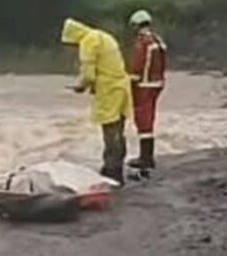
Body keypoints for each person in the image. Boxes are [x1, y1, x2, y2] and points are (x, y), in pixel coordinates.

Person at [61, 18, 134, 184]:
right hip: (122, 87)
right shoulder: (103, 36)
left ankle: (111, 172)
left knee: (109, 131)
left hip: (109, 90)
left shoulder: (88, 42)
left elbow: (88, 74)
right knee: (119, 130)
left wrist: (81, 86)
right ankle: (117, 167)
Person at [126, 9, 167, 171]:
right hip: (157, 84)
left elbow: (138, 64)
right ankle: (147, 156)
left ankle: (146, 158)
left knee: (143, 120)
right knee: (149, 118)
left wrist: (132, 81)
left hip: (144, 85)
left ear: (136, 25)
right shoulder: (158, 40)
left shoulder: (143, 42)